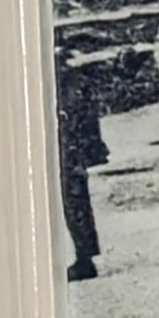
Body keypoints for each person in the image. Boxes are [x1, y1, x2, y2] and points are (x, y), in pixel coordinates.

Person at [55, 52, 107, 281]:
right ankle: (84, 256)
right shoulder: (74, 80)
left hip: (68, 152)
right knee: (74, 202)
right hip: (70, 151)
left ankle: (84, 258)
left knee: (74, 202)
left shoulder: (68, 83)